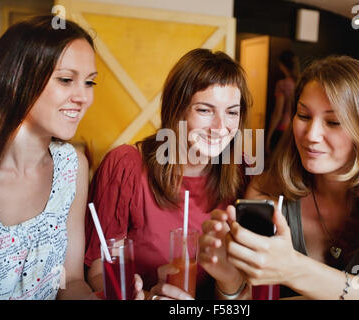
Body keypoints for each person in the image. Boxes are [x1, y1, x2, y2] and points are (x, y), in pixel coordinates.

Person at [199, 56, 359, 300]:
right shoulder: (268, 189)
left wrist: (294, 269)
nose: (311, 135)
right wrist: (229, 282)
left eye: (333, 122)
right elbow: (247, 300)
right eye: (304, 116)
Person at [84, 48, 252, 299]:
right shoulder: (126, 165)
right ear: (177, 110)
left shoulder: (245, 173)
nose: (220, 127)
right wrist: (139, 294)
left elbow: (248, 286)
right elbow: (100, 266)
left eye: (231, 112)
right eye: (205, 110)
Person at [0, 15, 99, 299]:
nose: (83, 97)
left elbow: (70, 281)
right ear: (17, 78)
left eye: (89, 83)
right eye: (66, 80)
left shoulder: (71, 168)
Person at [266, 50, 299, 155]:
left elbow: (278, 113)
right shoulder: (300, 83)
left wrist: (268, 137)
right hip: (295, 129)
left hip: (282, 129)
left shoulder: (282, 84)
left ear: (281, 65)